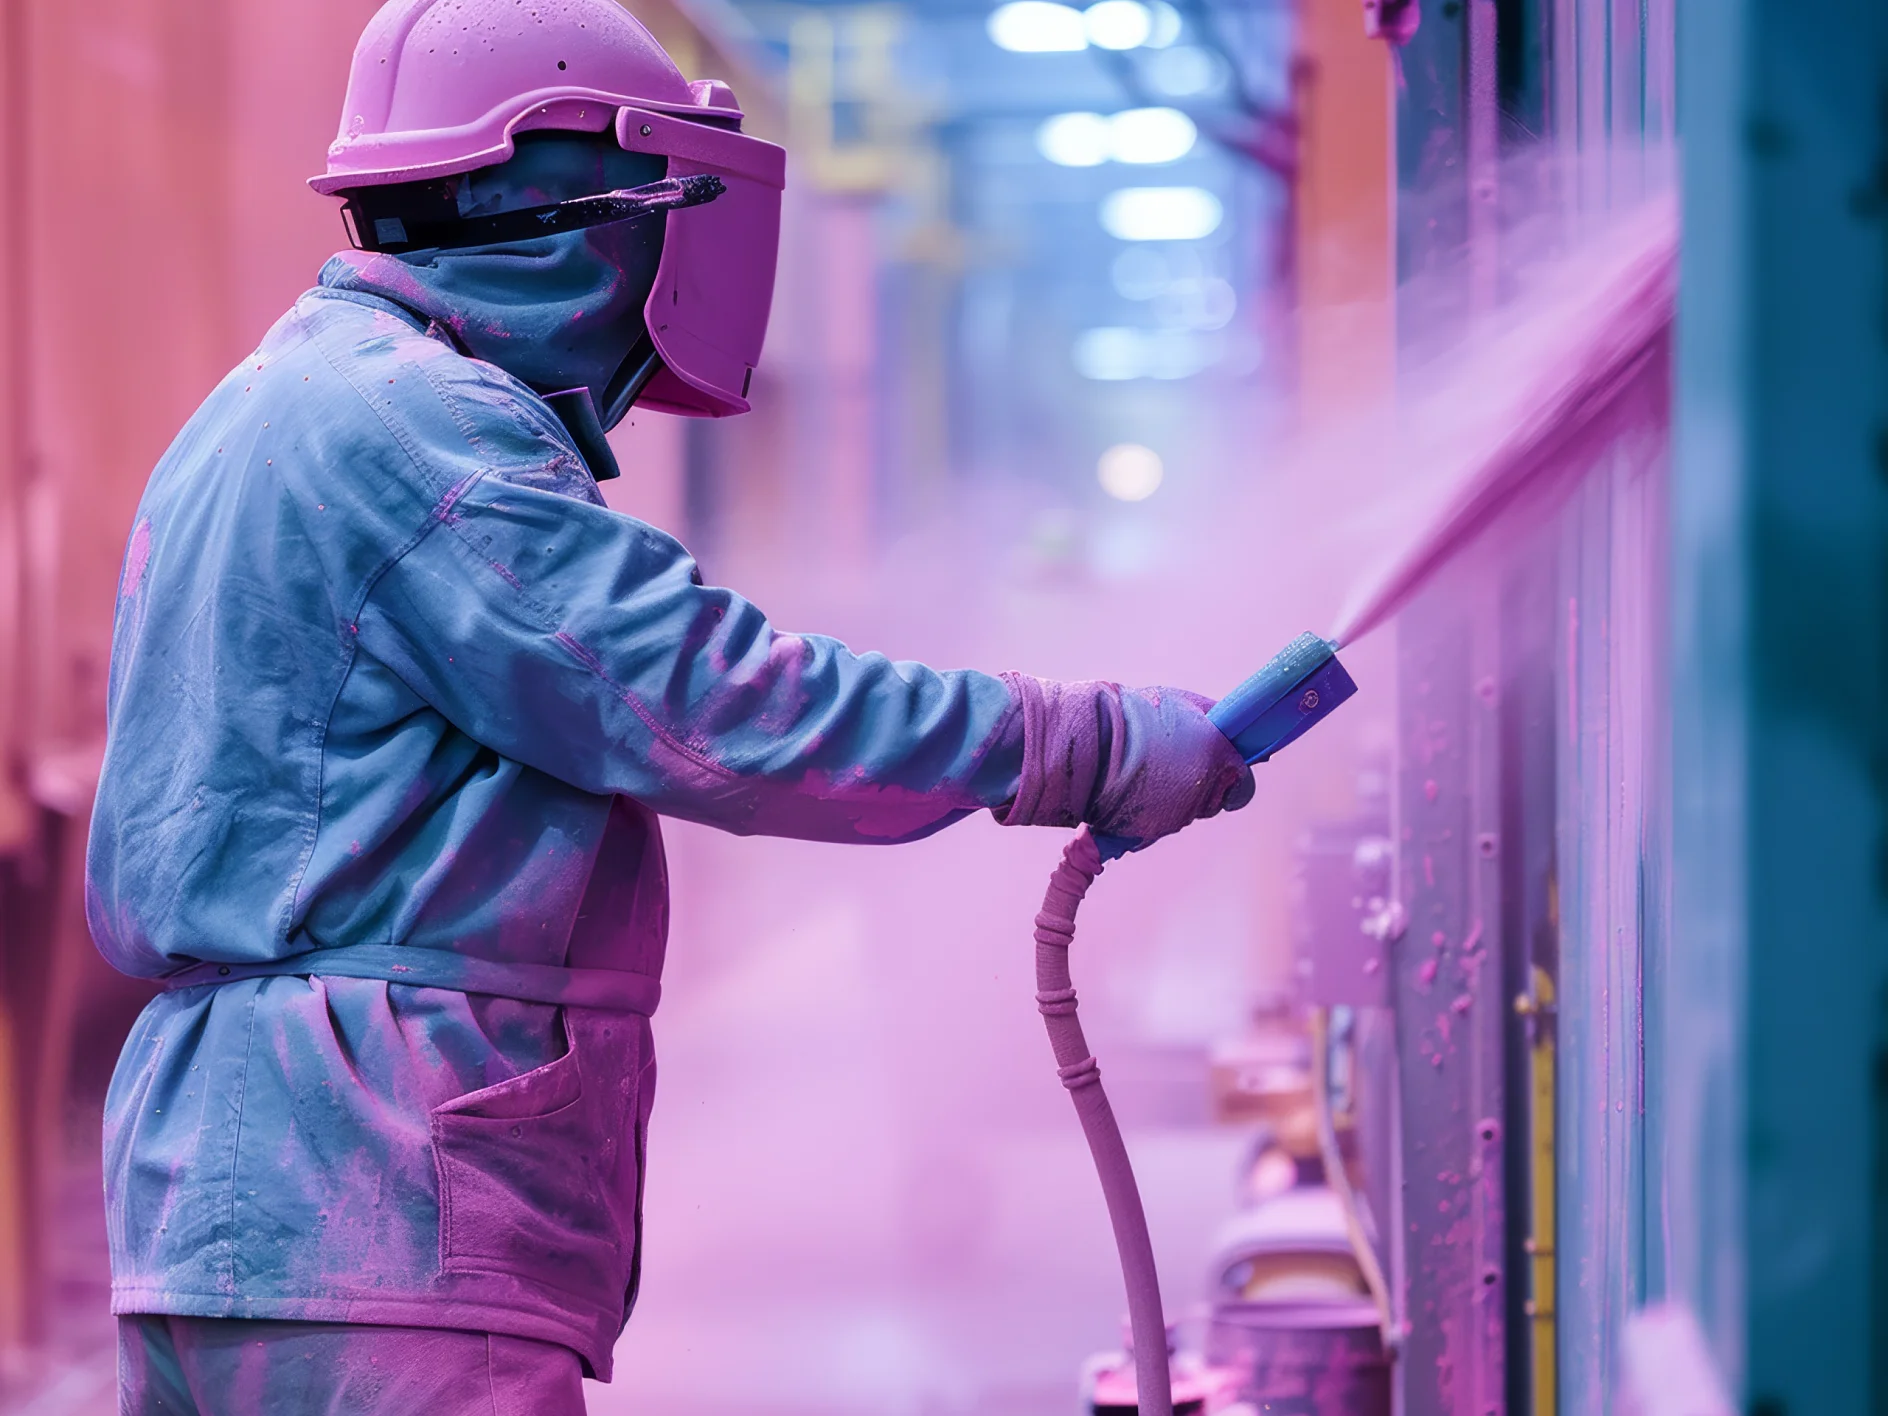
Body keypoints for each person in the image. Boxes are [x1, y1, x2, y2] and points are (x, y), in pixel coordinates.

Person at [87, 1, 1253, 1410]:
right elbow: (720, 710)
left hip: (218, 1202)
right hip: (379, 1200)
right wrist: (1075, 741)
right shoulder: (427, 431)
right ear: (587, 218)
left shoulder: (264, 408)